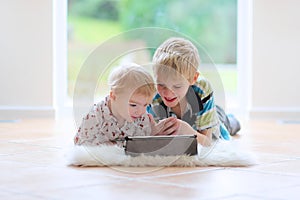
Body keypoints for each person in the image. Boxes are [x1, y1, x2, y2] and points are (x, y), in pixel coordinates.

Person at [147, 37, 241, 146]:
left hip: (211, 118)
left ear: (193, 78)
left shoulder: (202, 90)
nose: (167, 93)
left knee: (227, 124)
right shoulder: (153, 95)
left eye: (177, 86)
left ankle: (231, 119)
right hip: (198, 119)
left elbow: (207, 142)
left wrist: (186, 130)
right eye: (161, 84)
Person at [74, 63, 176, 146]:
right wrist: (109, 145)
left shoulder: (141, 117)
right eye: (133, 105)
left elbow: (143, 142)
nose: (140, 111)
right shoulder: (96, 116)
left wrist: (153, 133)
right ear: (113, 96)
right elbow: (79, 142)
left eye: (146, 105)